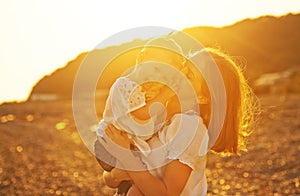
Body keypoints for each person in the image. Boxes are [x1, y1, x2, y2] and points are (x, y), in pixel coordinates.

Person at [95, 36, 257, 195]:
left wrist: (125, 157)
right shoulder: (161, 116)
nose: (177, 75)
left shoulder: (190, 128)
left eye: (189, 75)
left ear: (202, 97)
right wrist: (118, 169)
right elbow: (111, 179)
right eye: (183, 67)